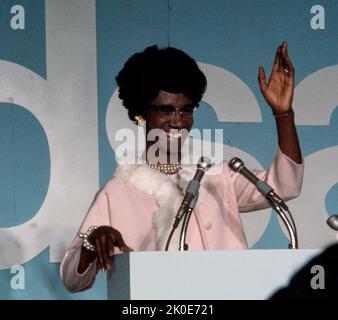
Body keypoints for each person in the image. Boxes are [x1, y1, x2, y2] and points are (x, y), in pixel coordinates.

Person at [60, 42, 304, 292]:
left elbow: (284, 186)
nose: (178, 121)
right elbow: (72, 280)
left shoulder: (216, 176)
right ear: (140, 113)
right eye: (166, 110)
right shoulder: (118, 192)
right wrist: (91, 242)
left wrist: (283, 114)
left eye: (186, 110)